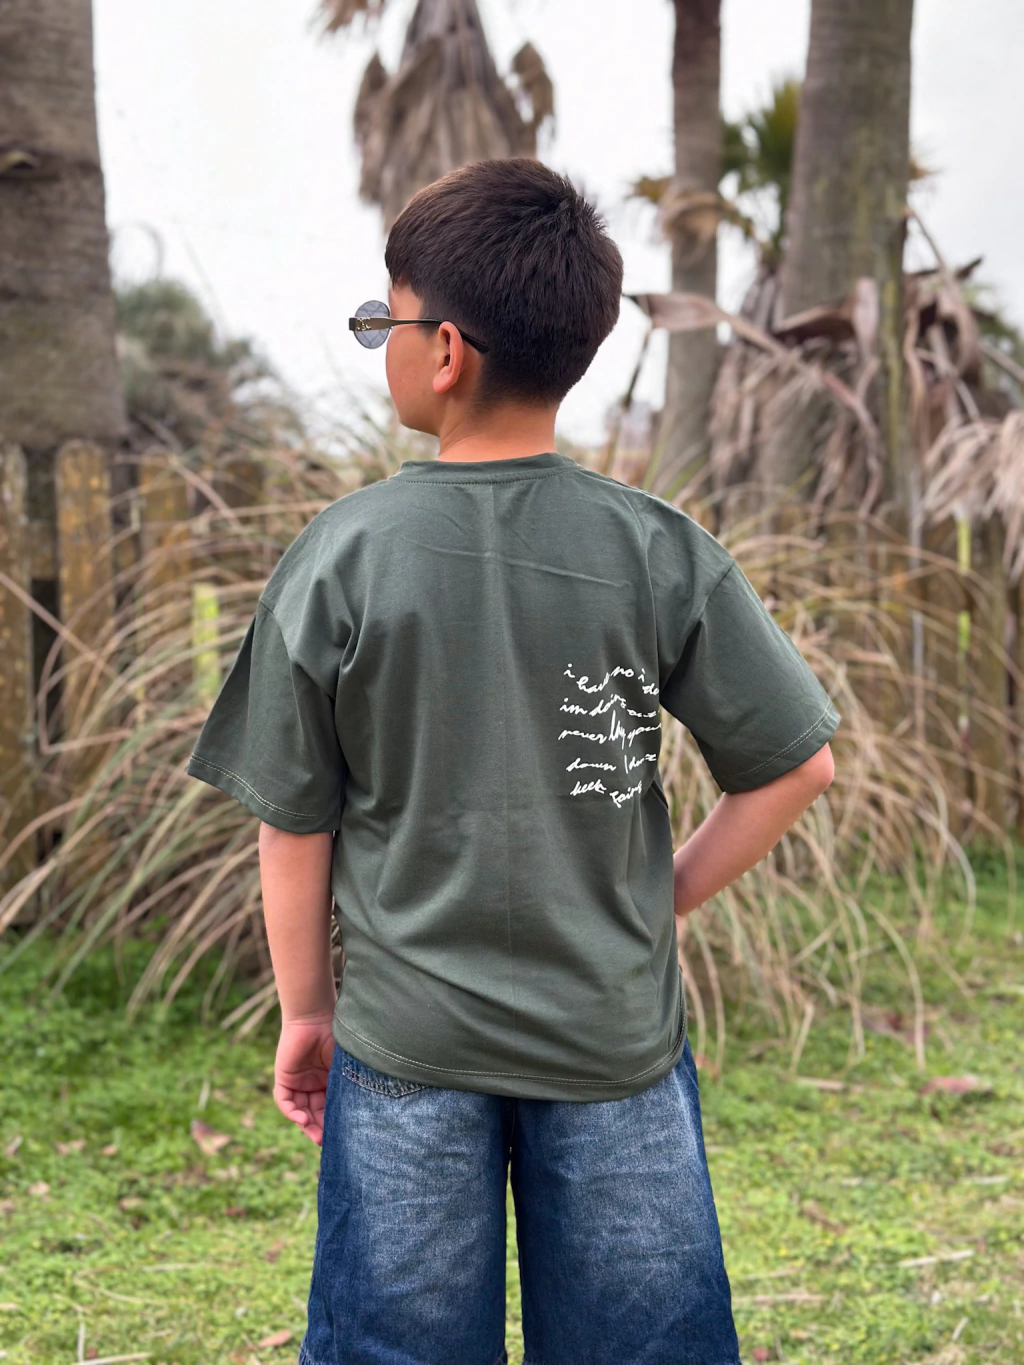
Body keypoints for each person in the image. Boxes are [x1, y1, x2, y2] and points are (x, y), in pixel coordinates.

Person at [186, 157, 839, 1365]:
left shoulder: (342, 554)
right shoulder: (656, 550)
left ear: (444, 351)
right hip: (613, 1044)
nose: (380, 342)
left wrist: (309, 1012)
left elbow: (294, 821)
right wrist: (657, 897)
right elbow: (795, 767)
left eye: (384, 320)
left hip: (405, 1047)